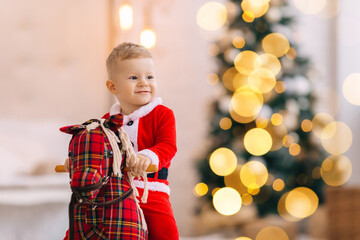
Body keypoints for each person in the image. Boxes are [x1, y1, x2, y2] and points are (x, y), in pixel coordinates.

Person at [102, 42, 179, 240]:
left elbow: (168, 146)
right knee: (84, 221)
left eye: (150, 77)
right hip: (113, 190)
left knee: (166, 231)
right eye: (134, 77)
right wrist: (79, 159)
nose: (144, 82)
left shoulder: (162, 114)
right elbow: (94, 147)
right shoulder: (105, 122)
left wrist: (147, 157)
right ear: (113, 86)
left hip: (150, 191)